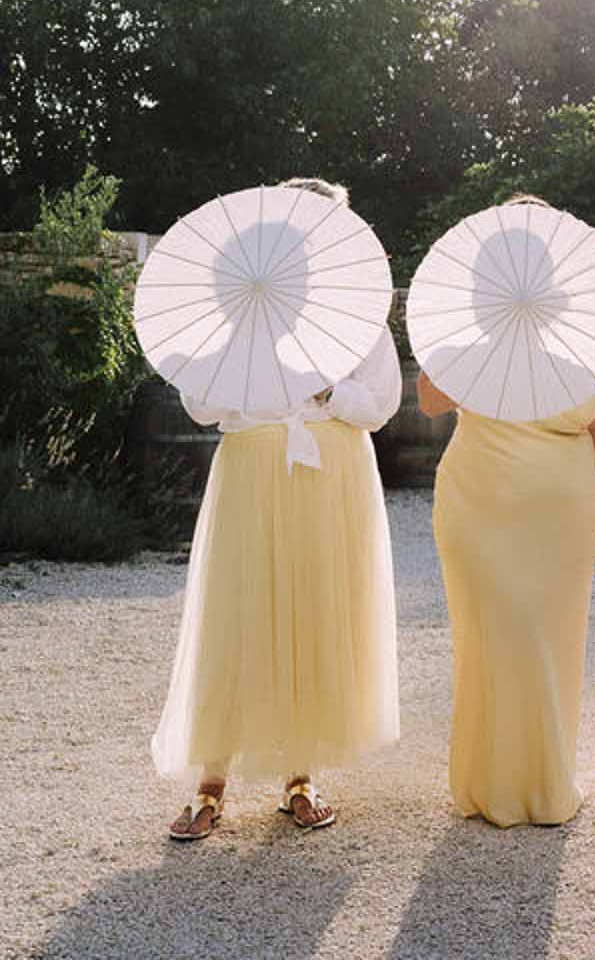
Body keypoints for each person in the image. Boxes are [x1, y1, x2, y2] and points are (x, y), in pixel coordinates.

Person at [156, 176, 401, 841]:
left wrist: (325, 389)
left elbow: (380, 403)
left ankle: (300, 774)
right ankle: (211, 780)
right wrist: (251, 364)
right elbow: (202, 404)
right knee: (238, 612)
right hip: (253, 467)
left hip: (333, 471)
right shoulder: (238, 304)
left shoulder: (358, 306)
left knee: (314, 611)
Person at [420, 196, 595, 828]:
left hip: (549, 511)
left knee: (536, 638)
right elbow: (431, 400)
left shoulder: (587, 336)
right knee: (504, 636)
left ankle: (534, 779)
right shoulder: (473, 337)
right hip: (483, 504)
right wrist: (480, 336)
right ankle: (507, 779)